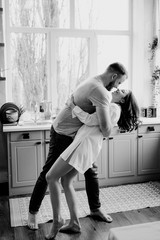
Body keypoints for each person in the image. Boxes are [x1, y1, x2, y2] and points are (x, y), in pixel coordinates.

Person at [27, 62, 128, 230]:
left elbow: (90, 115)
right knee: (49, 173)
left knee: (90, 171)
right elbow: (104, 128)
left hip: (76, 135)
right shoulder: (101, 92)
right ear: (114, 76)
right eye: (119, 83)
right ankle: (33, 212)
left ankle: (95, 209)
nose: (118, 87)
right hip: (63, 133)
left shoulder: (94, 81)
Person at [45, 89, 140, 239]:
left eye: (121, 91)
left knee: (51, 177)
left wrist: (72, 106)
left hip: (83, 145)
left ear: (122, 100)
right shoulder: (111, 107)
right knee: (66, 181)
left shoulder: (113, 108)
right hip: (83, 144)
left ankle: (58, 221)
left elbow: (90, 120)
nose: (116, 90)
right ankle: (74, 223)